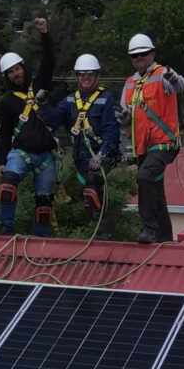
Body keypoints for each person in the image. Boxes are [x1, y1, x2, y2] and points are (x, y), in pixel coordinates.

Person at [37, 54, 120, 240]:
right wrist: (42, 104)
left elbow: (111, 131)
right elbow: (53, 119)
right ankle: (100, 230)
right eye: (82, 75)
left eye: (90, 74)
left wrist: (101, 155)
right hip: (80, 158)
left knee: (93, 187)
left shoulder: (106, 100)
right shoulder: (70, 101)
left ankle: (103, 234)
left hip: (102, 156)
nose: (86, 78)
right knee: (90, 199)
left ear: (97, 76)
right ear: (77, 77)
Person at [118, 33, 184, 244]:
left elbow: (180, 86)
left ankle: (148, 227)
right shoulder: (129, 84)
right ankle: (165, 239)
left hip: (164, 143)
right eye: (135, 56)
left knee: (145, 177)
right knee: (156, 191)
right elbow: (123, 116)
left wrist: (173, 79)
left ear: (152, 53)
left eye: (143, 54)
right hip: (143, 147)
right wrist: (124, 118)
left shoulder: (162, 74)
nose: (139, 58)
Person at [0, 17, 58, 237]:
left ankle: (41, 237)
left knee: (44, 205)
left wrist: (44, 34)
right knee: (7, 186)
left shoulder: (38, 85)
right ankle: (6, 227)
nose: (16, 74)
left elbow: (49, 62)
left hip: (45, 155)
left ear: (23, 67)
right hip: (20, 152)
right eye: (11, 72)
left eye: (18, 69)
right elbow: (4, 133)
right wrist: (2, 161)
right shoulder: (8, 101)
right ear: (7, 77)